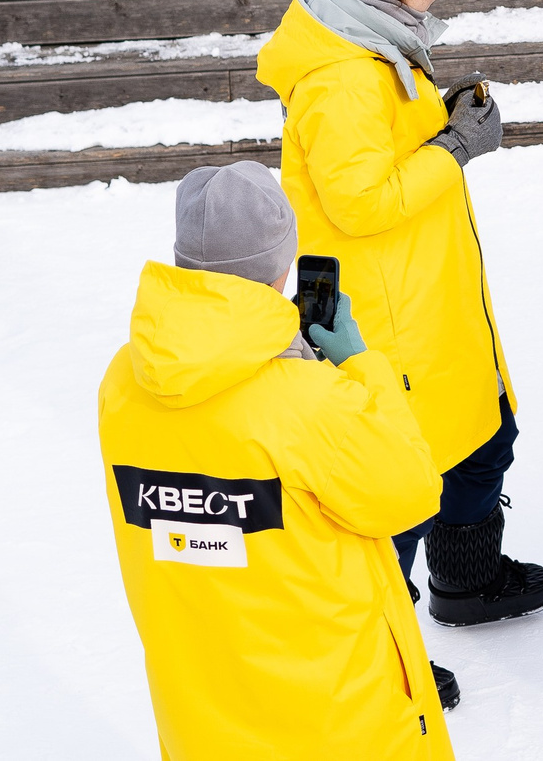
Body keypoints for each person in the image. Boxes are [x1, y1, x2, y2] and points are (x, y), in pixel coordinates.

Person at [257, 0, 543, 677]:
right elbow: (357, 201)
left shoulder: (375, 36)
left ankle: (468, 578)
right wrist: (454, 147)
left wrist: (441, 121)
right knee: (396, 486)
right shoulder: (340, 76)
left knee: (485, 438)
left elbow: (381, 155)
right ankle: (385, 658)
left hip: (418, 294)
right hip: (370, 310)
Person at [98, 160, 454, 757]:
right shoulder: (305, 399)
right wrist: (360, 367)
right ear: (282, 265)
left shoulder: (123, 380)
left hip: (201, 714)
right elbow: (409, 491)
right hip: (331, 718)